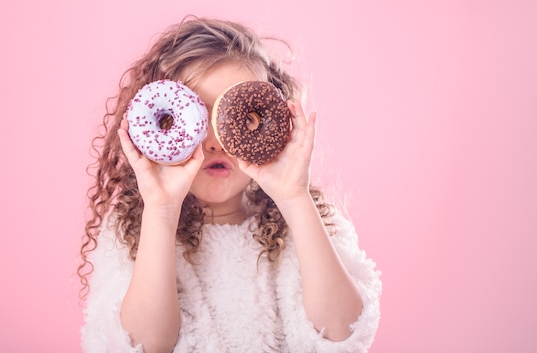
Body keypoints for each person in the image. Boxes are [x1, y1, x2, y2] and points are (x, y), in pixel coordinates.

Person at [78, 16, 381, 353]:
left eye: (243, 119)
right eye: (195, 118)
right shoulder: (132, 230)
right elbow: (142, 347)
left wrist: (294, 198)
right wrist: (161, 212)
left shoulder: (305, 223)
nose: (215, 142)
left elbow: (343, 333)